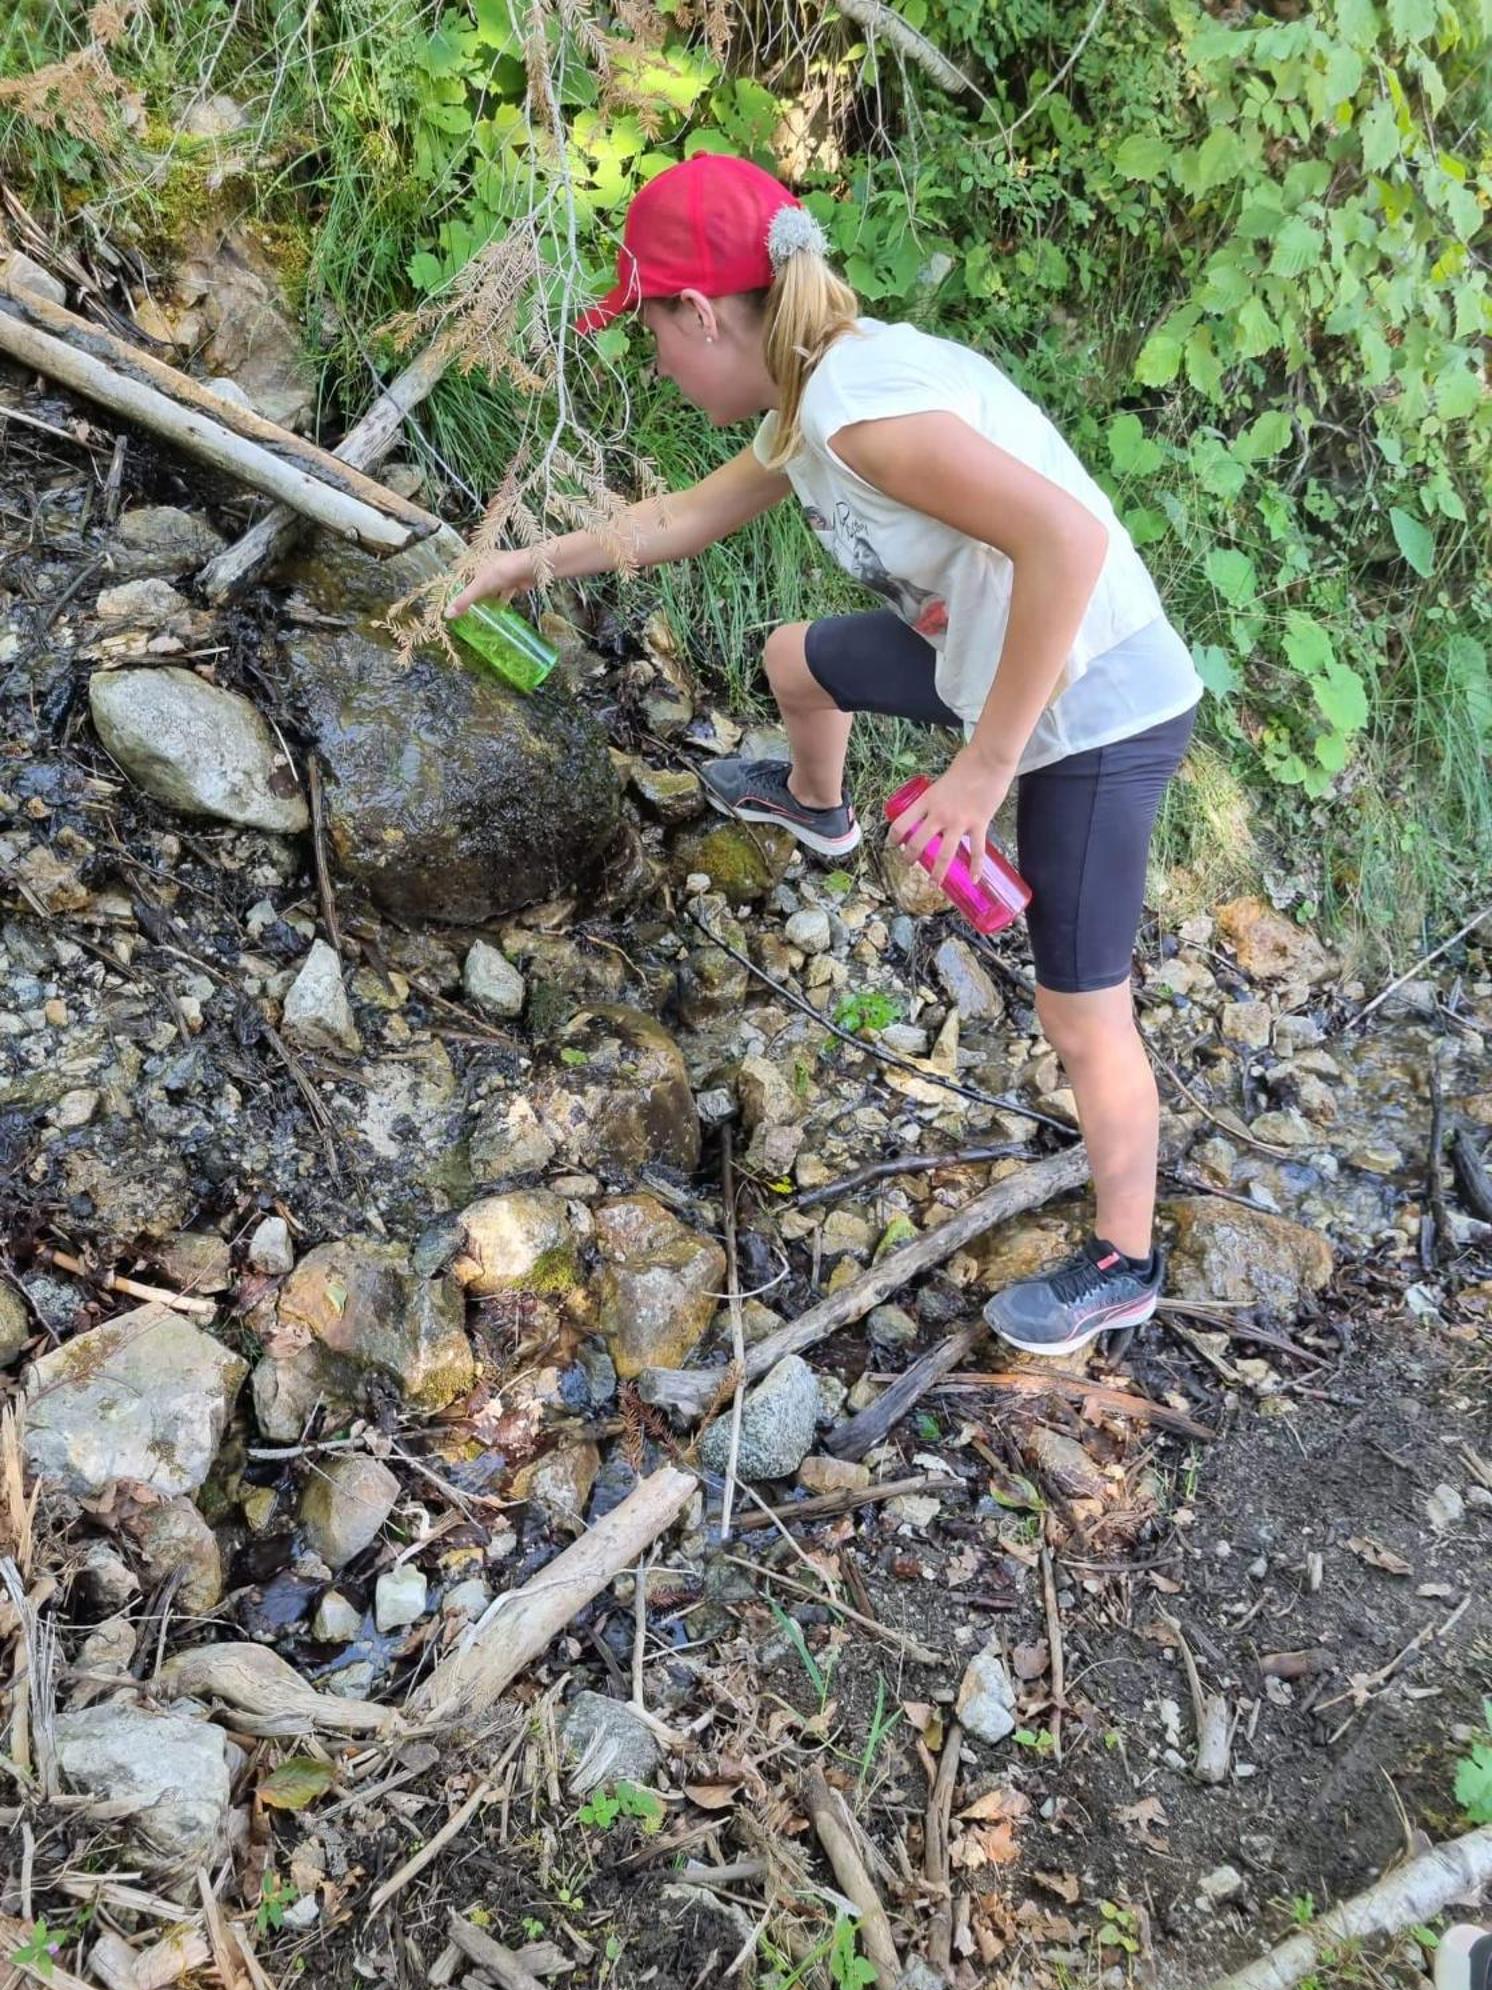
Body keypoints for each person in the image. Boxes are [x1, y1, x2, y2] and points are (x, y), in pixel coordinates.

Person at [447, 153, 1204, 1357]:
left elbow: (1066, 539)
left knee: (1080, 1007)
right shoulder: (806, 402)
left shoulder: (862, 411)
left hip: (1092, 707)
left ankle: (1124, 1258)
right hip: (995, 663)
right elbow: (681, 519)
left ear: (701, 312)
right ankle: (818, 806)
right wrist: (524, 565)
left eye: (650, 331)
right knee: (796, 656)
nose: (652, 360)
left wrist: (983, 771)